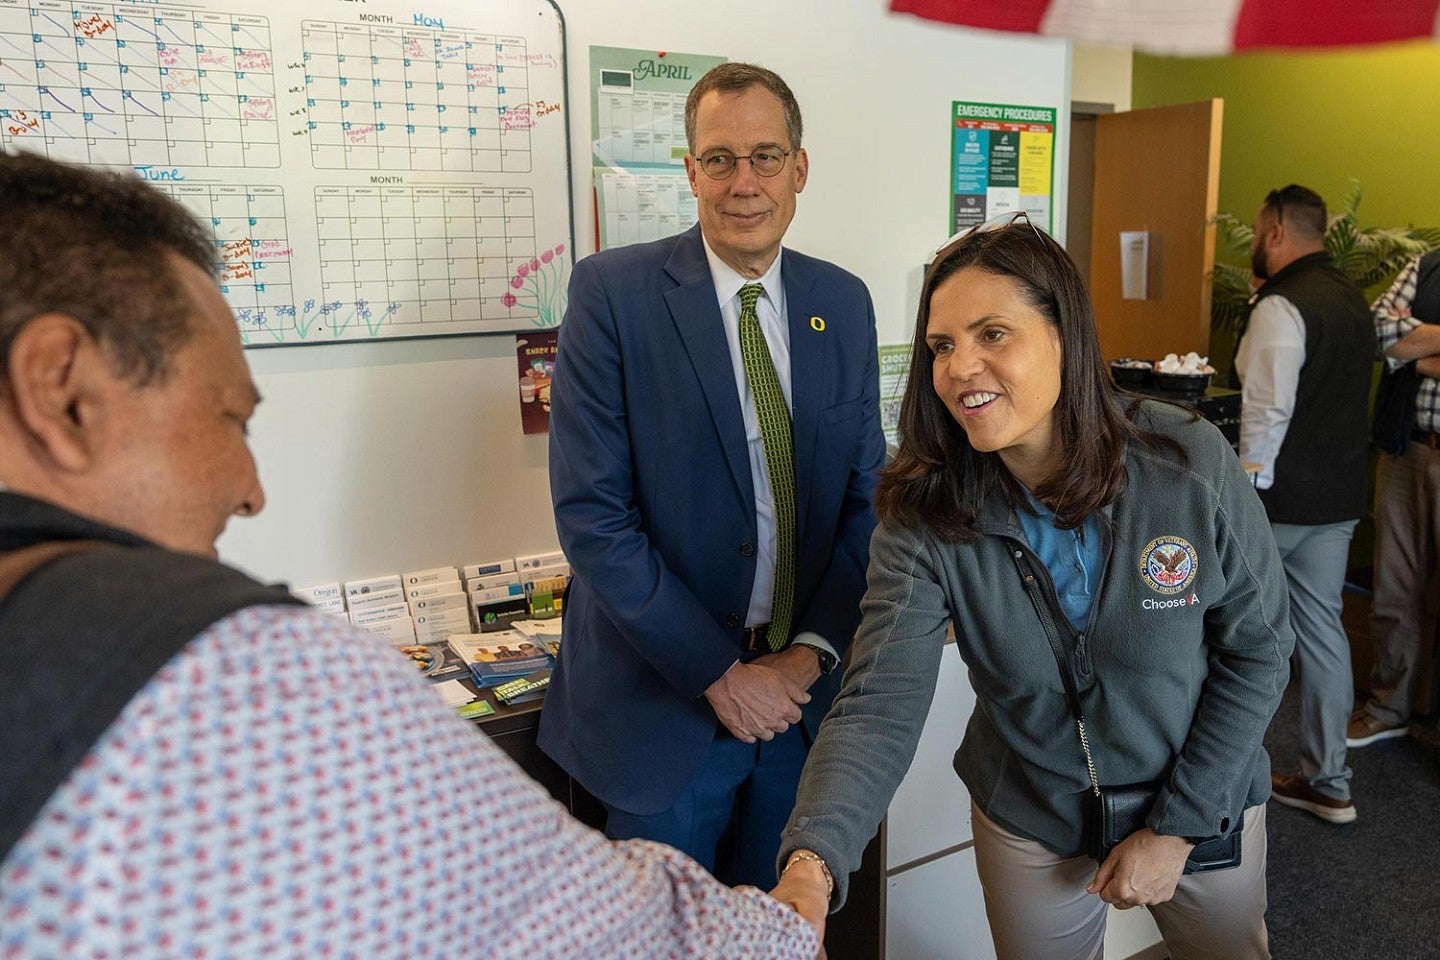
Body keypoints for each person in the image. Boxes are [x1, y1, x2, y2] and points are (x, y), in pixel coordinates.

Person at [0, 152, 822, 959]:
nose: (249, 491)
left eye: (766, 158)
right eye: (227, 418)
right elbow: (593, 919)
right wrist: (793, 919)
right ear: (59, 384)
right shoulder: (238, 674)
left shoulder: (834, 303)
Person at [770, 213, 1293, 959]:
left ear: (1063, 334)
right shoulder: (927, 513)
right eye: (942, 346)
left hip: (1204, 796)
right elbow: (877, 702)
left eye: (993, 334)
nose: (958, 368)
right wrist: (810, 869)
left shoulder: (1185, 463)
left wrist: (1177, 826)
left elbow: (1261, 651)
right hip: (1031, 812)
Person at [540, 62, 885, 889]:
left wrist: (805, 658)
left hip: (797, 714)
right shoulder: (611, 295)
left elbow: (868, 500)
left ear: (799, 169)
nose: (744, 183)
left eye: (766, 157)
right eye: (720, 159)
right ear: (688, 171)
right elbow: (594, 517)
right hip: (663, 714)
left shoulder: (843, 302)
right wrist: (719, 676)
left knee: (778, 928)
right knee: (661, 940)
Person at [1232, 184, 1375, 823]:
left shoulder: (1282, 304)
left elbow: (1266, 410)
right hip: (1339, 499)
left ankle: (1221, 780)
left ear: (1278, 233)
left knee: (1225, 634)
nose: (1259, 241)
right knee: (1323, 633)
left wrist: (1244, 496)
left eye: (1262, 229)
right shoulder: (1351, 300)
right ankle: (1329, 781)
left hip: (1280, 503)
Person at [1352, 249, 1440, 746]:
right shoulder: (1427, 265)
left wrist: (1421, 343)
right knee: (1394, 588)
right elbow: (1378, 332)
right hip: (1406, 448)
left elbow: (1401, 345)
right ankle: (1390, 706)